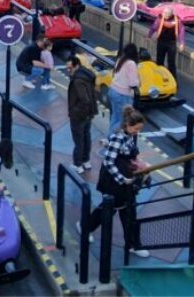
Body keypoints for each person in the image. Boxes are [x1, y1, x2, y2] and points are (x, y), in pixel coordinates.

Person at [80, 106, 151, 258]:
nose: (137, 132)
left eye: (139, 129)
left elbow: (127, 155)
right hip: (114, 181)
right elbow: (108, 162)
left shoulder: (128, 136)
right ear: (128, 125)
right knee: (111, 208)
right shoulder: (119, 137)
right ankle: (85, 228)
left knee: (127, 211)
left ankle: (133, 244)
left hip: (125, 178)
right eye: (136, 128)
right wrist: (122, 179)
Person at [66, 56, 99, 173]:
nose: (68, 71)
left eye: (70, 68)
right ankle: (86, 160)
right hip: (89, 113)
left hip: (79, 115)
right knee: (86, 136)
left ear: (76, 66)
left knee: (78, 140)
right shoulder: (87, 76)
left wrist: (75, 111)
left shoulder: (77, 81)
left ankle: (77, 164)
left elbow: (84, 99)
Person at [108, 44, 140, 133]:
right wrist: (138, 82)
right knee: (122, 120)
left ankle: (110, 139)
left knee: (115, 117)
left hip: (113, 90)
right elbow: (132, 83)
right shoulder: (131, 64)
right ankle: (113, 139)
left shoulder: (120, 60)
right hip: (123, 94)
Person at [149, 6, 185, 76]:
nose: (166, 16)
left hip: (171, 43)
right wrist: (149, 36)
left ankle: (173, 80)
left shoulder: (177, 20)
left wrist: (182, 43)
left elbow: (181, 31)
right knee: (159, 61)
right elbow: (153, 27)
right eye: (165, 14)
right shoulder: (159, 19)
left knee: (171, 63)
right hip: (161, 42)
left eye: (168, 15)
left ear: (171, 14)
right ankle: (159, 77)